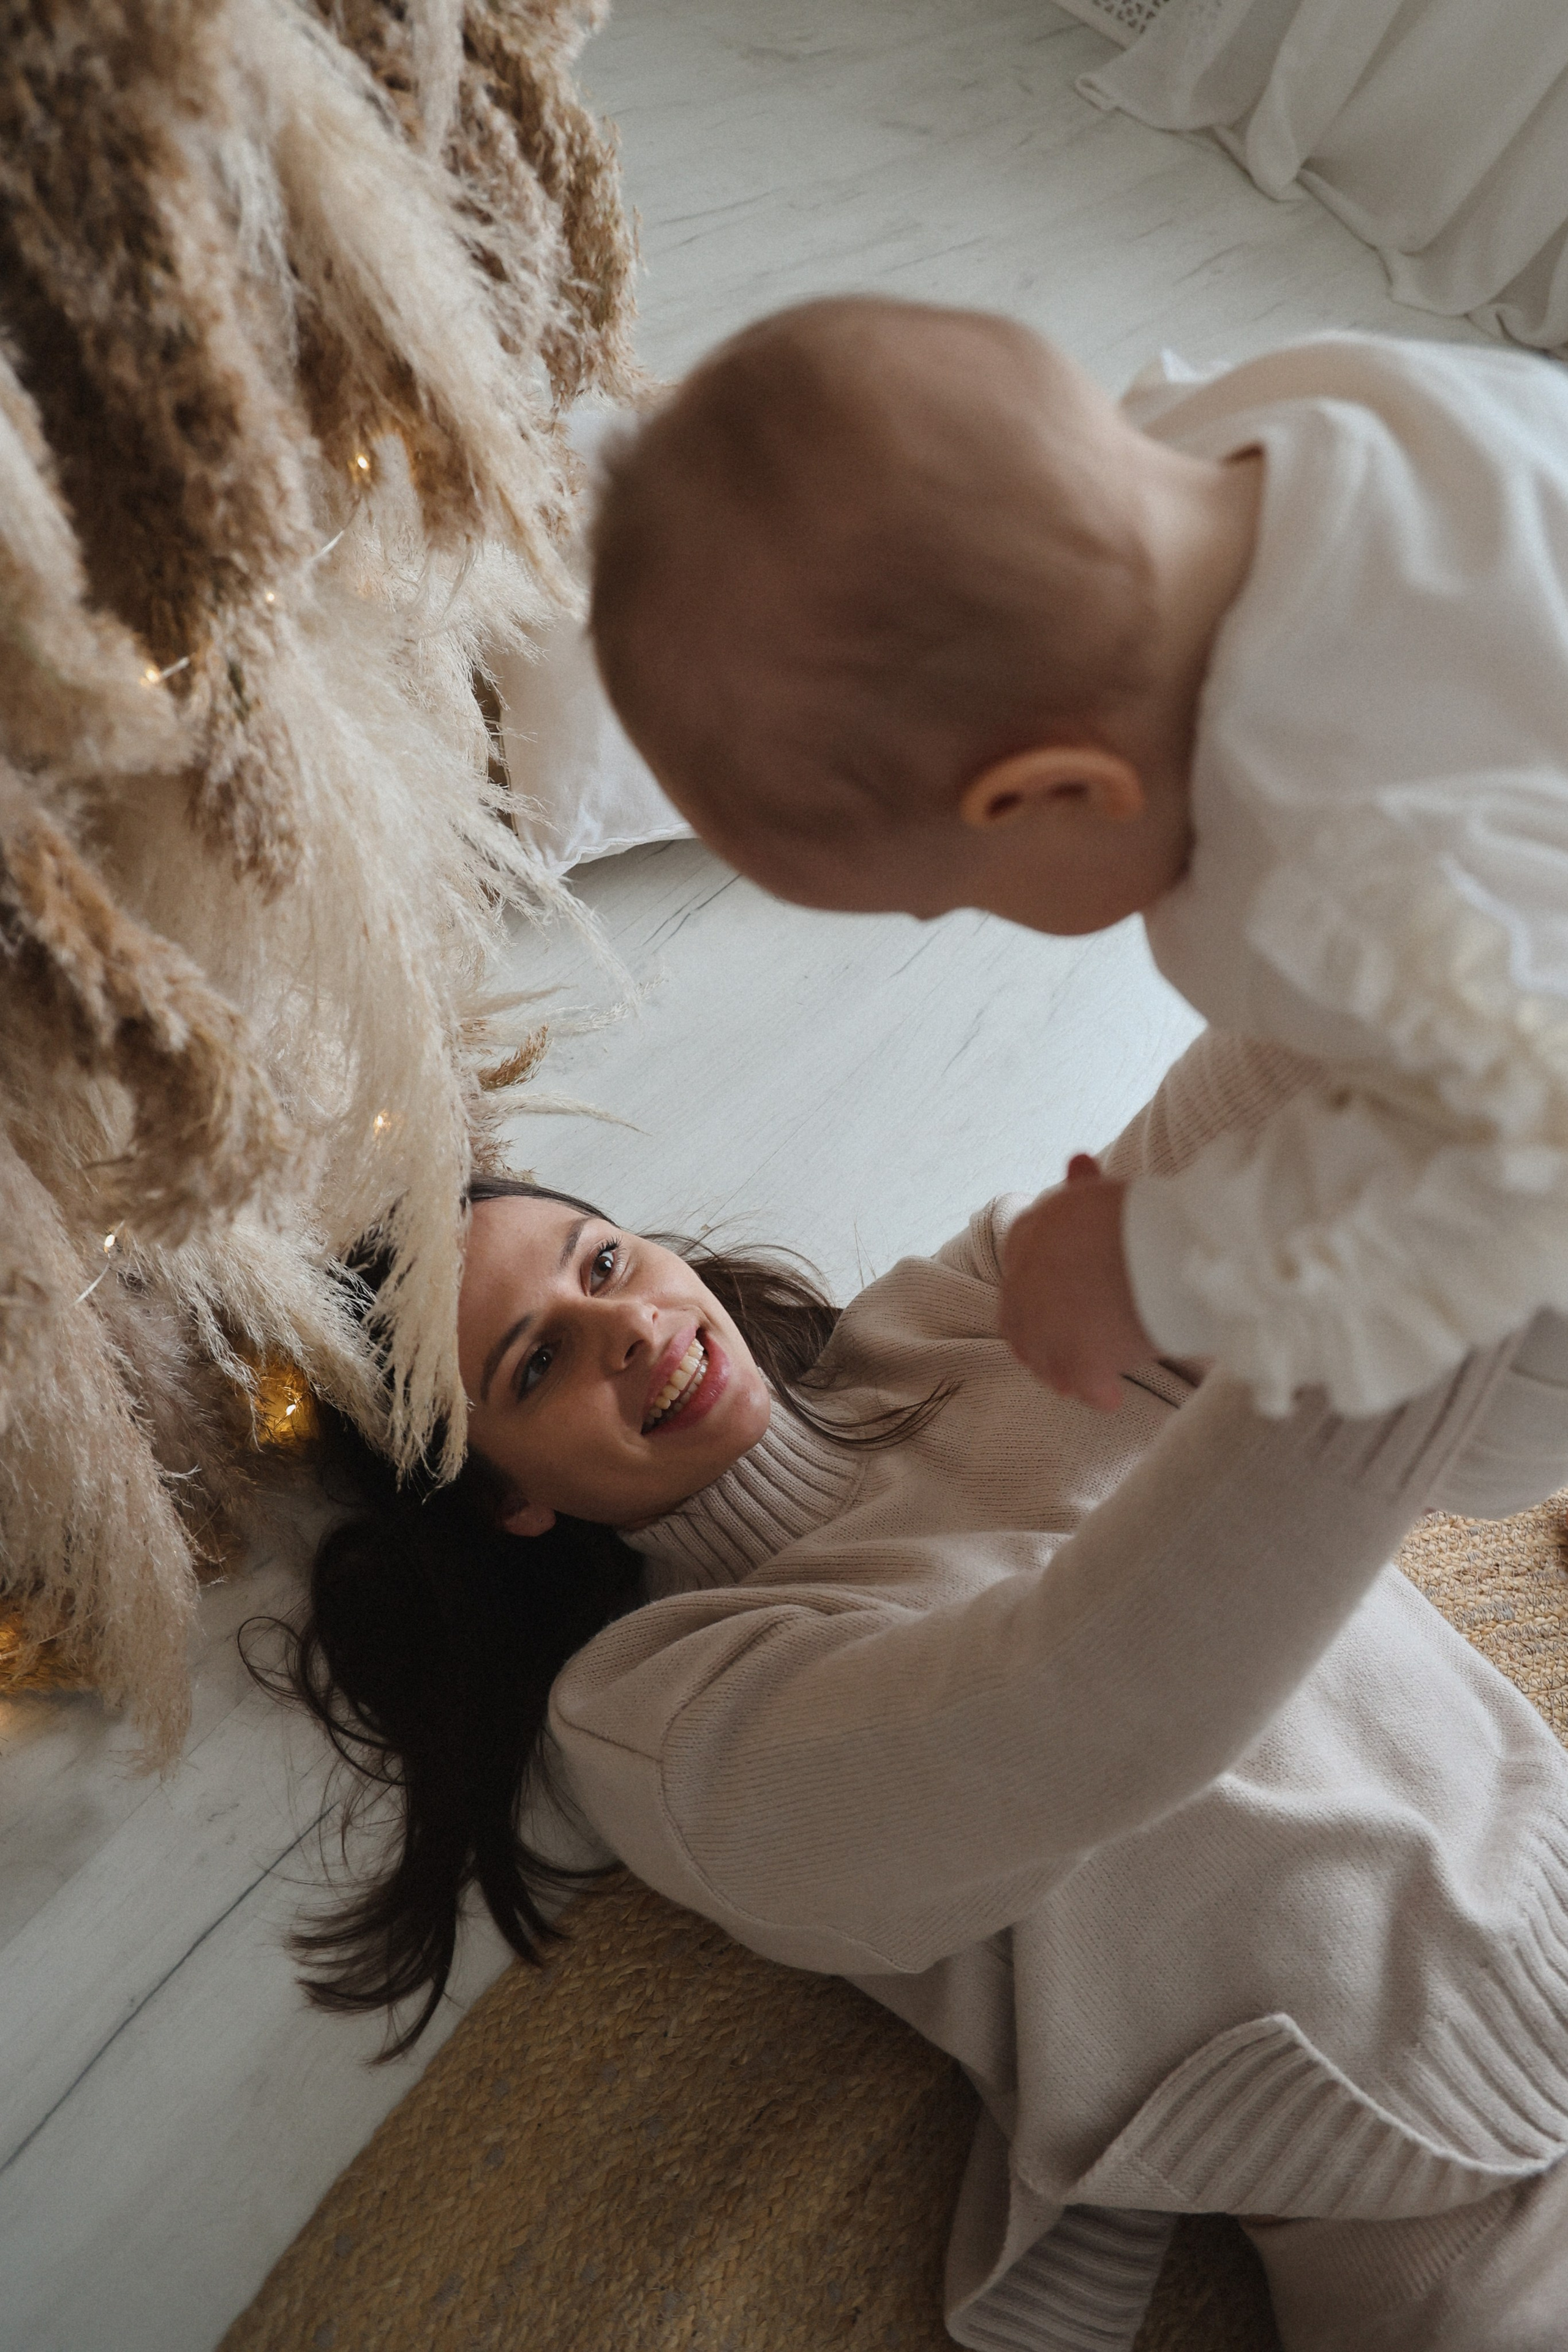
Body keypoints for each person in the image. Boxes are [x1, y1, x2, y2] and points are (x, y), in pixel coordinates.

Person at [264, 1030, 1568, 2351]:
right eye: (535, 1364)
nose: (629, 1327)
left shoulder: (960, 1313)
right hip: (1436, 2204)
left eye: (603, 1261)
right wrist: (1380, 1327)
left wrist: (1409, 948)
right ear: (508, 1501)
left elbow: (1236, 1128)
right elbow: (1073, 1716)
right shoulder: (662, 1718)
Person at [587, 294, 1568, 1428]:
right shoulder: (1264, 414)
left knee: (1483, 1405)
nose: (965, 916)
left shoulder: (1336, 863)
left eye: (947, 897)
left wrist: (1155, 1265)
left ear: (1055, 791)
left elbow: (1533, 1162)